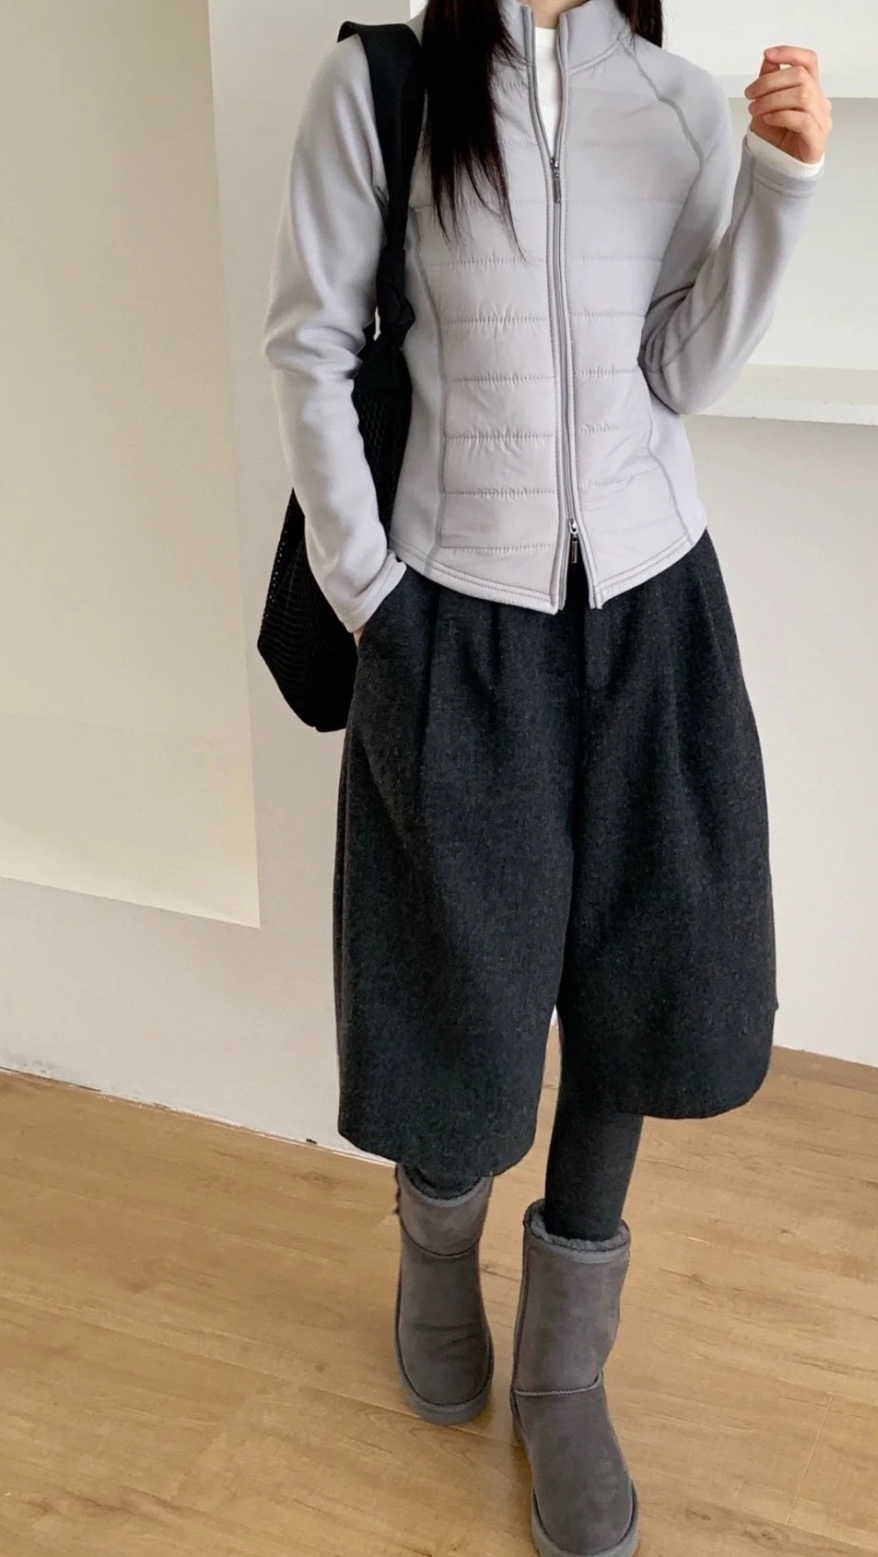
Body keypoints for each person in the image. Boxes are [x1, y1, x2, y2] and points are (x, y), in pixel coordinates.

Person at [262, 2, 830, 1552]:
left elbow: (678, 369)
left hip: (653, 615)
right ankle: (436, 1250)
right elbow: (310, 343)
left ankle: (564, 1373)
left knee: (632, 991)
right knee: (458, 993)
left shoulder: (681, 105)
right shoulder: (380, 90)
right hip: (454, 618)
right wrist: (373, 595)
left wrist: (781, 189)